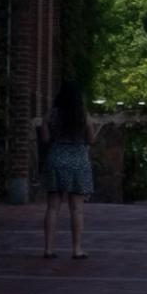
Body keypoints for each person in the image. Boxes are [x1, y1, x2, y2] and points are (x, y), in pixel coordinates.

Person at [36, 81, 98, 258]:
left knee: (53, 207)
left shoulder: (51, 115)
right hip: (78, 161)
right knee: (77, 208)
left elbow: (46, 139)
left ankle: (48, 248)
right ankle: (77, 249)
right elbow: (91, 140)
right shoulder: (83, 114)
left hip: (57, 159)